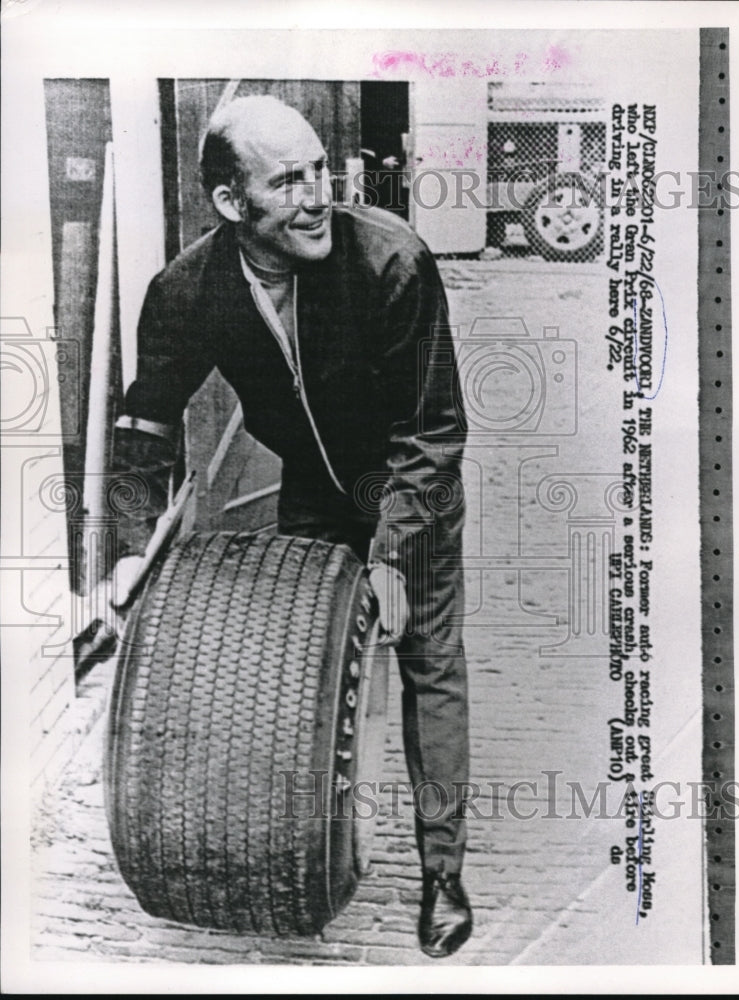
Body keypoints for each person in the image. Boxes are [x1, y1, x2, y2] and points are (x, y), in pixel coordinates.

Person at [111, 95, 472, 958]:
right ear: (233, 204)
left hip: (408, 482)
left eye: (320, 170)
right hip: (314, 485)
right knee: (293, 671)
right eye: (288, 181)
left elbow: (433, 431)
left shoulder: (391, 260)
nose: (317, 195)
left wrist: (389, 554)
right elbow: (147, 423)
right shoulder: (188, 289)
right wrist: (130, 550)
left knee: (427, 662)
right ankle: (290, 842)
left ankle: (441, 873)